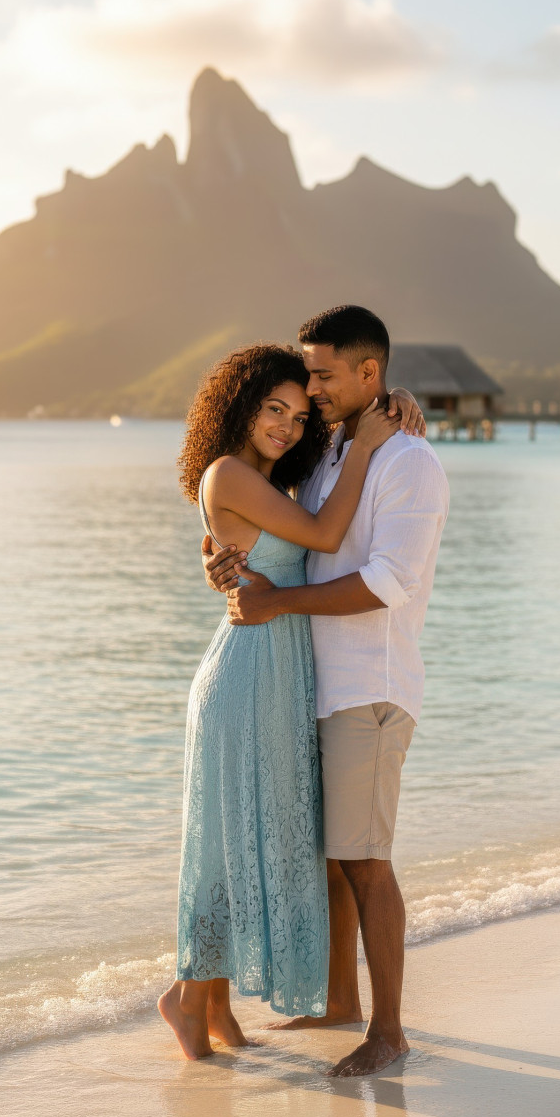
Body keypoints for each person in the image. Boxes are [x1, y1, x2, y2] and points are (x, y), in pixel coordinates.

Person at [159, 343, 424, 1062]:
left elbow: (241, 546)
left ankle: (208, 1003)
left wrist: (384, 414)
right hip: (246, 673)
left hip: (279, 672)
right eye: (272, 409)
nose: (286, 425)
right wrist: (368, 448)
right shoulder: (230, 472)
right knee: (225, 843)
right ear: (238, 406)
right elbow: (325, 535)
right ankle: (190, 996)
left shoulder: (276, 477)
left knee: (247, 837)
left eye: (299, 415)